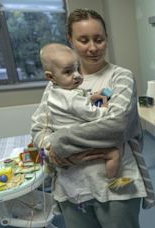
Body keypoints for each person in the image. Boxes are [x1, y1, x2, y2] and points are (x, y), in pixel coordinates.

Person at [31, 9, 155, 228]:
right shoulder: (55, 85)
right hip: (72, 189)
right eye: (83, 40)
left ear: (106, 39)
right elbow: (40, 129)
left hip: (116, 188)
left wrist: (59, 144)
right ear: (70, 40)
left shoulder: (120, 77)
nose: (92, 47)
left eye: (99, 39)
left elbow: (116, 127)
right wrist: (49, 149)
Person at [39, 42, 120, 179]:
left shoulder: (55, 92)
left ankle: (49, 166)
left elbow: (75, 104)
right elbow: (92, 114)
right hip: (75, 142)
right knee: (114, 153)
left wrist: (90, 97)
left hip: (63, 143)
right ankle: (112, 181)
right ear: (50, 77)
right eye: (68, 71)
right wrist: (105, 107)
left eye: (77, 69)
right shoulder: (70, 97)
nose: (76, 75)